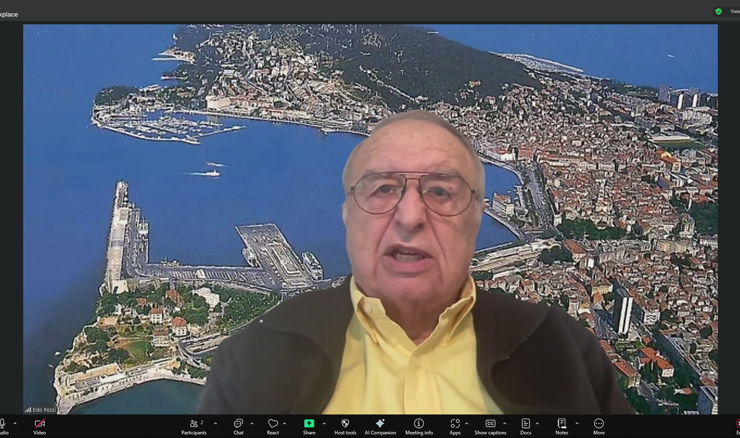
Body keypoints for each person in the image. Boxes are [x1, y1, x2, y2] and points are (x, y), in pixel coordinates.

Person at [197, 110, 635, 414]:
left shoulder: (559, 349)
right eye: (383, 190)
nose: (410, 217)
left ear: (477, 216)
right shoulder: (255, 355)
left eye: (441, 193)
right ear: (348, 215)